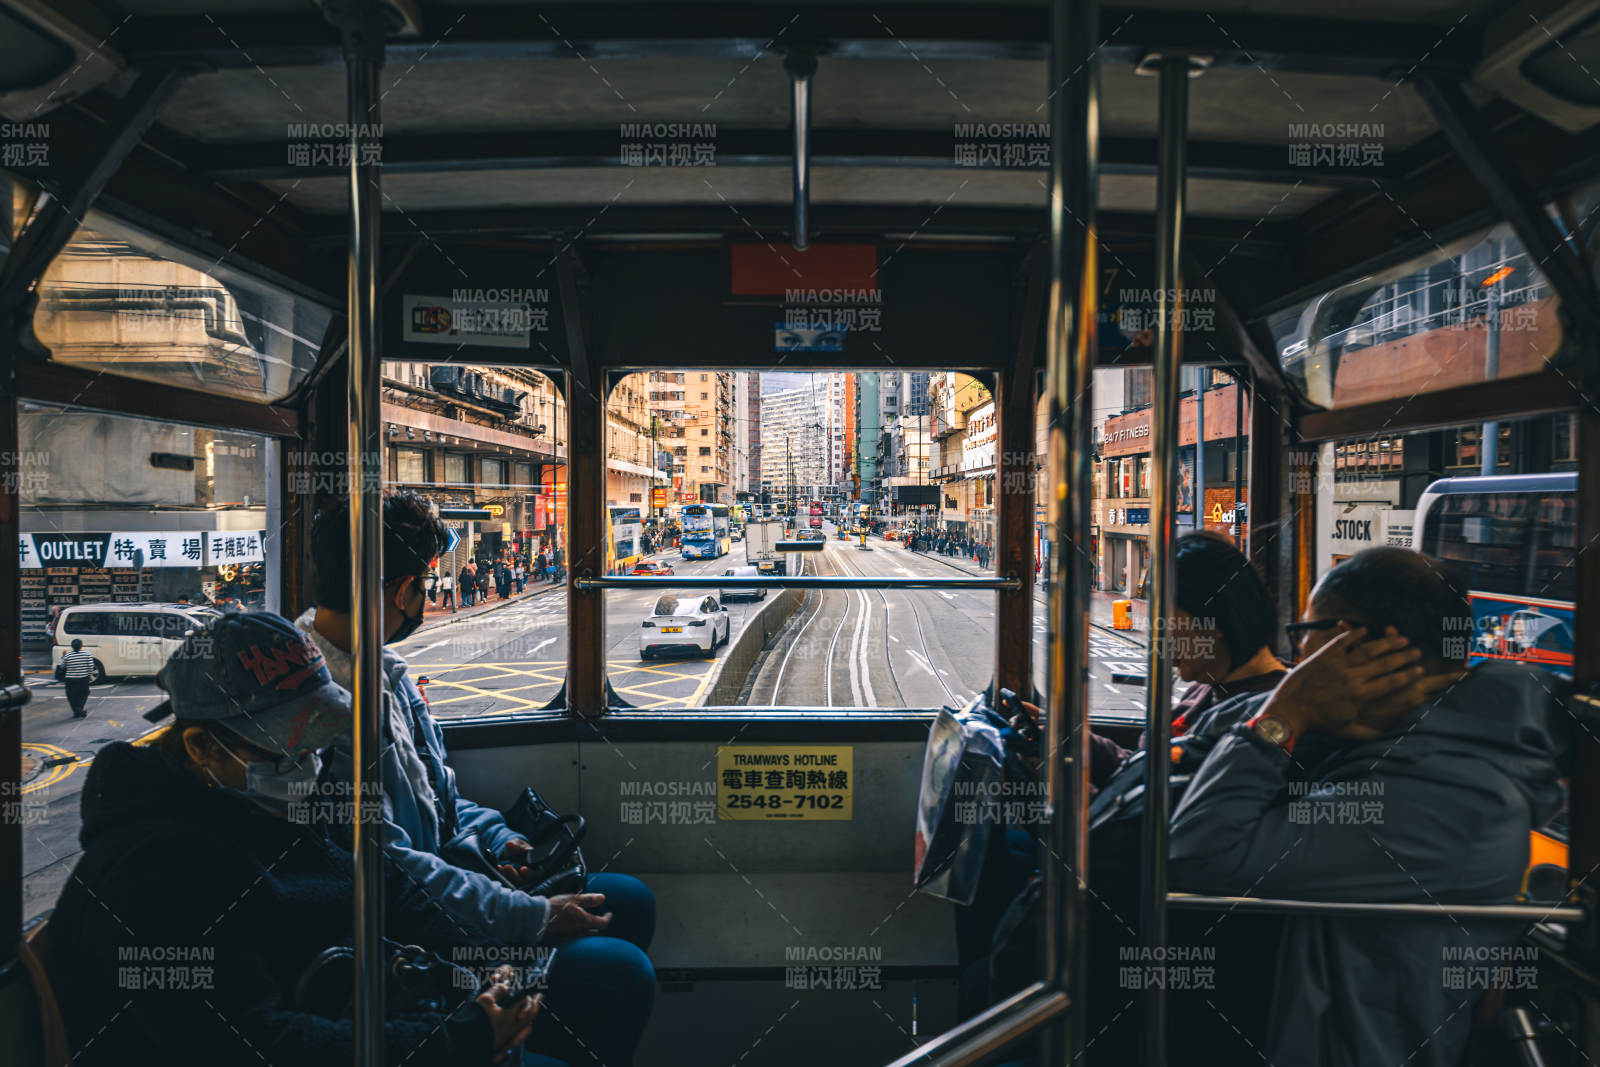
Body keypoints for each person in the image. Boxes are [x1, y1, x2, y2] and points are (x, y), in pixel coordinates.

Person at [50, 611, 553, 1066]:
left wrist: (487, 959)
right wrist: (455, 1041)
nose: (309, 765)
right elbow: (255, 1043)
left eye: (317, 743)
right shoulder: (151, 874)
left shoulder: (275, 798)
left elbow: (386, 885)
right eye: (286, 751)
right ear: (202, 746)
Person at [1169, 548, 1568, 1067]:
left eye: (1305, 634)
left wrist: (1289, 713)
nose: (1299, 657)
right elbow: (1205, 743)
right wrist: (1297, 716)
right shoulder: (1392, 740)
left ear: (1353, 641)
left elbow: (1194, 855)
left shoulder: (1454, 800)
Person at [302, 492, 656, 1067]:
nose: (425, 595)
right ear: (401, 592)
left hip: (455, 879)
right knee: (622, 975)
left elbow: (437, 796)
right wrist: (530, 916)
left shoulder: (386, 671)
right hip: (415, 931)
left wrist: (494, 840)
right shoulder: (322, 709)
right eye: (423, 582)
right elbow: (393, 871)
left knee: (630, 902)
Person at [59, 637, 96, 718]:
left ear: (72, 646)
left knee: (71, 695)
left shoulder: (68, 655)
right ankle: (79, 708)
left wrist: (63, 656)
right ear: (81, 646)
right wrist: (89, 676)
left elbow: (62, 666)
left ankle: (76, 712)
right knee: (84, 693)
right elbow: (91, 666)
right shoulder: (87, 654)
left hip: (70, 679)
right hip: (83, 678)